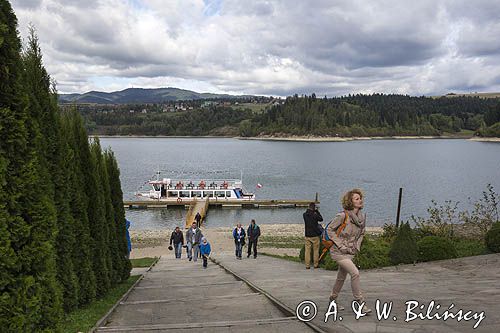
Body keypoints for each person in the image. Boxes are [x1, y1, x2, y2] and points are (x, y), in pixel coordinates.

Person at [327, 188, 371, 314]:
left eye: (360, 198)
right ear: (350, 202)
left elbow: (362, 233)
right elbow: (329, 230)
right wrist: (340, 245)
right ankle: (360, 303)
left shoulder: (361, 218)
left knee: (341, 278)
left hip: (350, 252)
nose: (360, 200)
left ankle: (332, 300)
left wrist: (357, 246)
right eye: (357, 199)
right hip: (338, 252)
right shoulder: (342, 216)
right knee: (355, 273)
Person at [303, 202, 323, 269]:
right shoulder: (315, 215)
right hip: (315, 235)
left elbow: (307, 212)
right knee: (315, 251)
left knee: (307, 251)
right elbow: (321, 219)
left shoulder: (304, 215)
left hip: (307, 234)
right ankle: (315, 264)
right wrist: (317, 212)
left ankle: (307, 265)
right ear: (314, 208)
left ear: (308, 207)